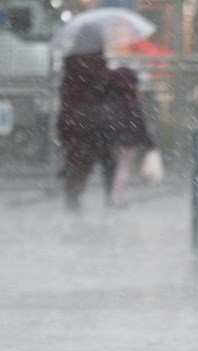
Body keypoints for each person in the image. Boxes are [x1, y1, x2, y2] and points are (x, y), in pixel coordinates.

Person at [57, 25, 115, 211]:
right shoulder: (95, 61)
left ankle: (72, 191)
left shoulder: (71, 62)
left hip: (71, 116)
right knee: (104, 158)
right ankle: (110, 197)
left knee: (77, 157)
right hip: (91, 118)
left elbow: (67, 91)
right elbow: (102, 86)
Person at [106, 67, 154, 207]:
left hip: (114, 140)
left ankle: (112, 197)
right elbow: (139, 122)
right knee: (124, 169)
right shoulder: (132, 101)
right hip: (129, 141)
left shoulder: (111, 99)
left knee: (116, 169)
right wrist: (147, 141)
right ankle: (116, 199)